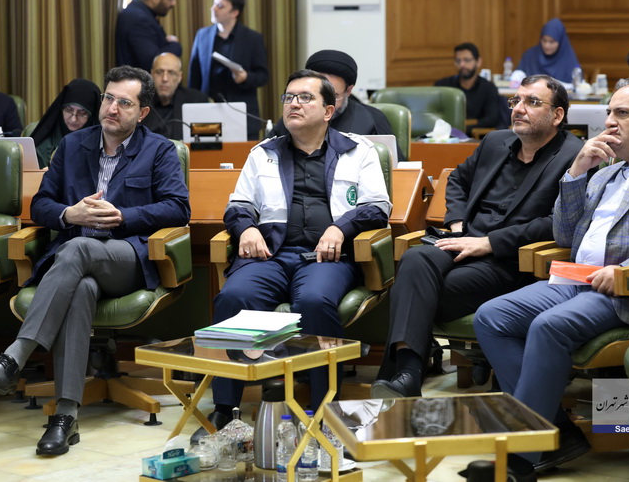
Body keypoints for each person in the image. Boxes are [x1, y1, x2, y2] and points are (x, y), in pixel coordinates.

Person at [473, 78, 629, 480]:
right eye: (608, 113)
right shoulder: (606, 171)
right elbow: (565, 236)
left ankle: (521, 455)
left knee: (548, 326)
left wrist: (628, 270)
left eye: (622, 113)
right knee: (491, 316)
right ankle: (556, 431)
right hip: (575, 279)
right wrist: (576, 171)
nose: (609, 122)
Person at [0, 66, 191, 456]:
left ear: (142, 113)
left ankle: (16, 356)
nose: (112, 108)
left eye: (125, 103)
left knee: (77, 250)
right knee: (81, 288)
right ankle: (65, 417)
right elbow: (40, 205)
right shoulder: (73, 145)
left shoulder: (159, 150)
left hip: (126, 257)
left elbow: (178, 208)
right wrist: (68, 214)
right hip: (75, 263)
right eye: (109, 98)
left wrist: (124, 216)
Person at [195, 69, 391, 441]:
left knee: (315, 301)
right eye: (288, 97)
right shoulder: (263, 153)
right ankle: (225, 409)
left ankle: (324, 410)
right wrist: (246, 228)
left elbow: (377, 208)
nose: (293, 104)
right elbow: (238, 206)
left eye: (305, 97)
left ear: (329, 111)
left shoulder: (358, 150)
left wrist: (341, 228)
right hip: (269, 255)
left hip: (325, 257)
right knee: (233, 297)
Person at [370, 75, 583, 399]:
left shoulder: (574, 156)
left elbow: (559, 222)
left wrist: (489, 243)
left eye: (532, 102)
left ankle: (406, 375)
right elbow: (456, 180)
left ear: (557, 115)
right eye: (516, 101)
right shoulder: (495, 142)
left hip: (511, 259)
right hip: (462, 241)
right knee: (415, 257)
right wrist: (457, 223)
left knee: (412, 291)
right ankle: (409, 374)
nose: (519, 109)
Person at [271, 49, 406, 161]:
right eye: (308, 97)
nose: (325, 103)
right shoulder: (296, 116)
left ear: (348, 91)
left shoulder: (372, 118)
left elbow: (395, 168)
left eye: (333, 96)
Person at [188, 0, 269, 141]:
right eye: (214, 4)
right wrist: (193, 108)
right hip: (208, 111)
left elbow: (263, 76)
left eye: (220, 6)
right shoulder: (202, 35)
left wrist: (246, 77)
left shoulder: (252, 38)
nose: (213, 9)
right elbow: (194, 76)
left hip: (241, 113)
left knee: (242, 155)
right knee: (208, 153)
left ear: (234, 12)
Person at [434, 42, 511, 134]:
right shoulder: (443, 86)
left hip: (477, 136)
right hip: (446, 135)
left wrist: (464, 128)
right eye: (458, 61)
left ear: (478, 62)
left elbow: (491, 119)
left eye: (467, 60)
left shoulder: (489, 88)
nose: (462, 64)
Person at [116, 0, 181, 71]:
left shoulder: (140, 13)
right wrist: (174, 45)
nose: (173, 3)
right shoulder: (138, 19)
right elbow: (152, 62)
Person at [31, 78, 101, 167]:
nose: (73, 119)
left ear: (93, 116)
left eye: (82, 113)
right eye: (69, 110)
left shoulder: (103, 148)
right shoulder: (42, 147)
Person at [146, 52, 209, 139]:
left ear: (180, 77)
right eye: (159, 72)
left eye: (171, 73)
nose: (165, 79)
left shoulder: (196, 100)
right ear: (151, 74)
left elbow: (204, 140)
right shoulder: (141, 101)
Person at [517, 18, 580, 84]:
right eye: (544, 40)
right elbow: (518, 77)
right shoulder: (530, 55)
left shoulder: (568, 59)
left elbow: (577, 84)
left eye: (551, 42)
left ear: (560, 41)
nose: (547, 46)